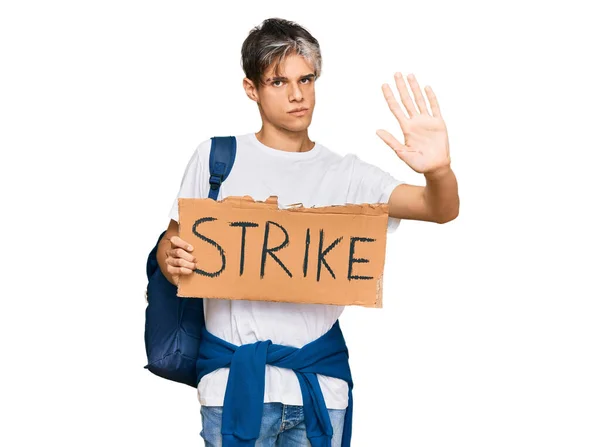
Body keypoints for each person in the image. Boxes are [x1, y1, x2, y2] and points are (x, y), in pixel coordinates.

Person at [157, 17, 459, 447]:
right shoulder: (217, 158)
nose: (297, 95)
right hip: (234, 388)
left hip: (320, 389)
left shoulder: (348, 175)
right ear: (251, 89)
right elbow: (172, 245)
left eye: (306, 79)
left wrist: (440, 171)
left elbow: (438, 208)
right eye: (278, 81)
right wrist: (172, 258)